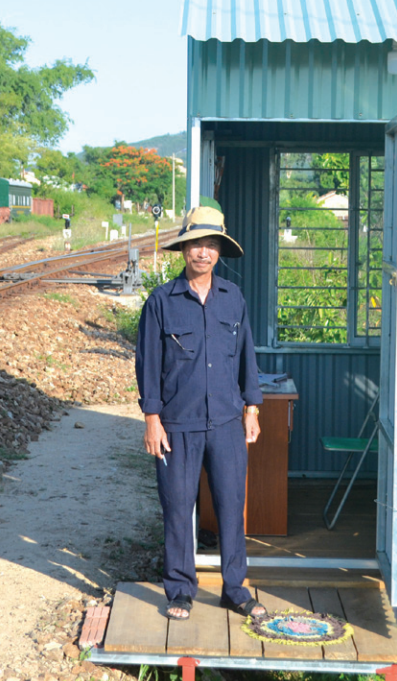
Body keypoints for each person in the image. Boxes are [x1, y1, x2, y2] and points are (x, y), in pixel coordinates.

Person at [135, 205, 266, 621]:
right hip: (177, 424)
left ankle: (235, 589)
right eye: (196, 244)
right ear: (184, 250)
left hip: (227, 421)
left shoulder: (233, 298)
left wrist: (252, 407)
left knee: (231, 505)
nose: (203, 253)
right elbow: (148, 364)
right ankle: (179, 590)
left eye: (210, 245)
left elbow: (247, 356)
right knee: (177, 508)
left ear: (219, 251)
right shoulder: (161, 302)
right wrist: (152, 420)